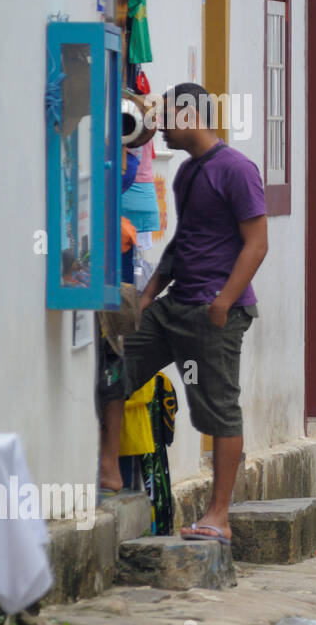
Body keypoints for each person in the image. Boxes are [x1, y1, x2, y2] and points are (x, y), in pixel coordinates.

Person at [99, 83, 267, 544]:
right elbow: (183, 241)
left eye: (166, 118)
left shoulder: (236, 169)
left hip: (215, 312)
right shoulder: (188, 173)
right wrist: (151, 294)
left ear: (190, 115)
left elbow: (257, 243)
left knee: (219, 411)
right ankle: (109, 470)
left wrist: (223, 302)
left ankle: (219, 516)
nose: (159, 129)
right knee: (114, 368)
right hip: (173, 308)